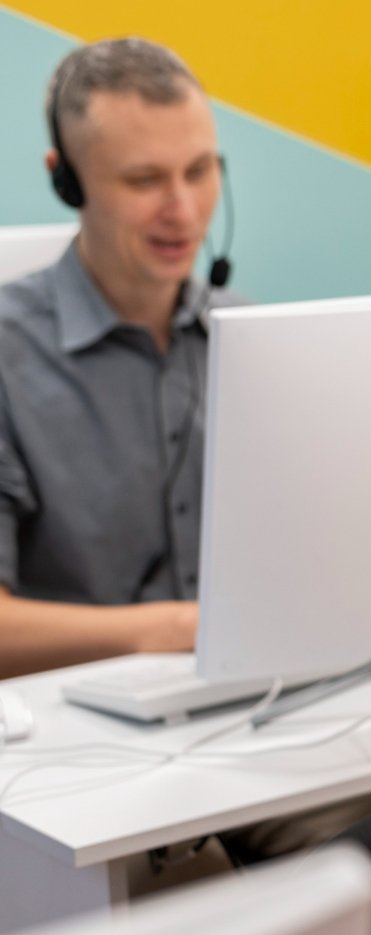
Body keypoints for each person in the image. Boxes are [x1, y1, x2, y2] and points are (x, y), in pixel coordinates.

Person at [0, 38, 240, 675]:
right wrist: (174, 628)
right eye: (144, 180)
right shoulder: (7, 355)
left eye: (199, 171)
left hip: (266, 709)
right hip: (67, 746)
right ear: (66, 181)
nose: (183, 211)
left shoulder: (250, 338)